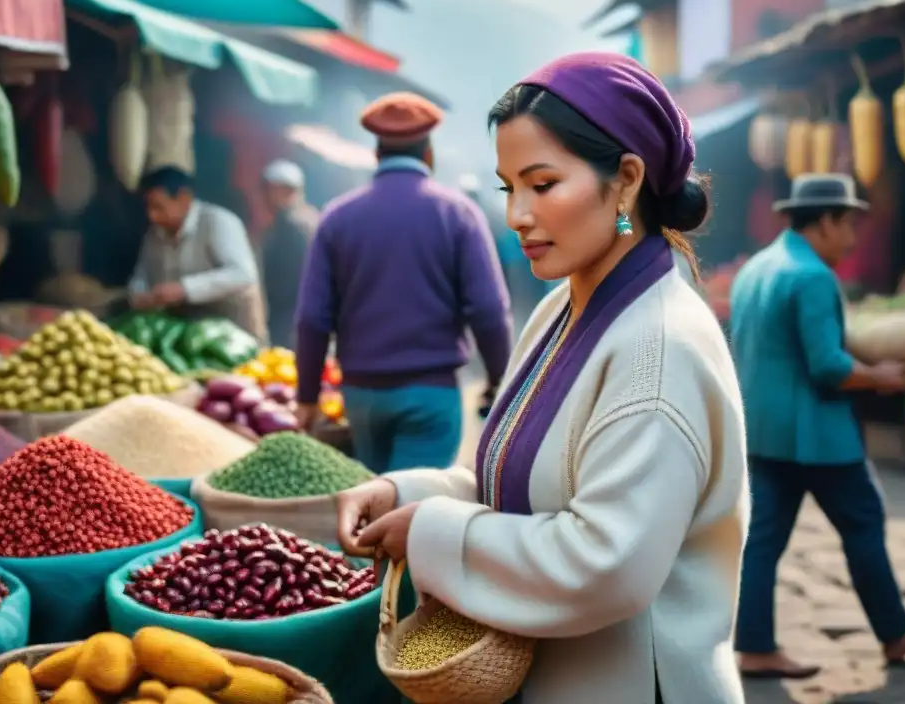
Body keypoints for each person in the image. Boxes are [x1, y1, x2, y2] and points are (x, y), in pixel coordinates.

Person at [335, 53, 749, 703]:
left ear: (626, 181)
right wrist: (406, 493)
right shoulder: (565, 305)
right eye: (509, 188)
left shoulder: (658, 351)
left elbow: (606, 564)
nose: (517, 215)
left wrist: (432, 531)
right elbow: (526, 485)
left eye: (543, 184)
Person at [731, 173, 905, 679]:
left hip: (765, 432)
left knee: (762, 541)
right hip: (818, 436)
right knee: (863, 521)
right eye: (849, 226)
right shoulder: (813, 276)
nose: (853, 238)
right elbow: (828, 366)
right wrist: (878, 377)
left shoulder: (759, 266)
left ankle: (753, 645)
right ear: (827, 222)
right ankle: (895, 630)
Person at [293, 92, 512, 473]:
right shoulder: (458, 213)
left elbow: (312, 318)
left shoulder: (336, 217)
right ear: (429, 154)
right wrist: (501, 380)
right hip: (431, 394)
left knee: (375, 503)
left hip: (361, 397)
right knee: (414, 510)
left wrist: (308, 396)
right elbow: (488, 310)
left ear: (376, 155)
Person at [128, 165, 268, 341]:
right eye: (148, 208)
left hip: (234, 335)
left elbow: (243, 275)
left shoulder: (217, 222)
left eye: (158, 207)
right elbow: (142, 275)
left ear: (184, 198)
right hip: (187, 335)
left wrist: (184, 289)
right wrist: (139, 295)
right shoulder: (154, 235)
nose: (152, 216)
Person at [260, 160, 319, 348]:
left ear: (284, 190)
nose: (265, 197)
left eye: (269, 190)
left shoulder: (294, 223)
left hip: (292, 315)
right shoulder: (309, 217)